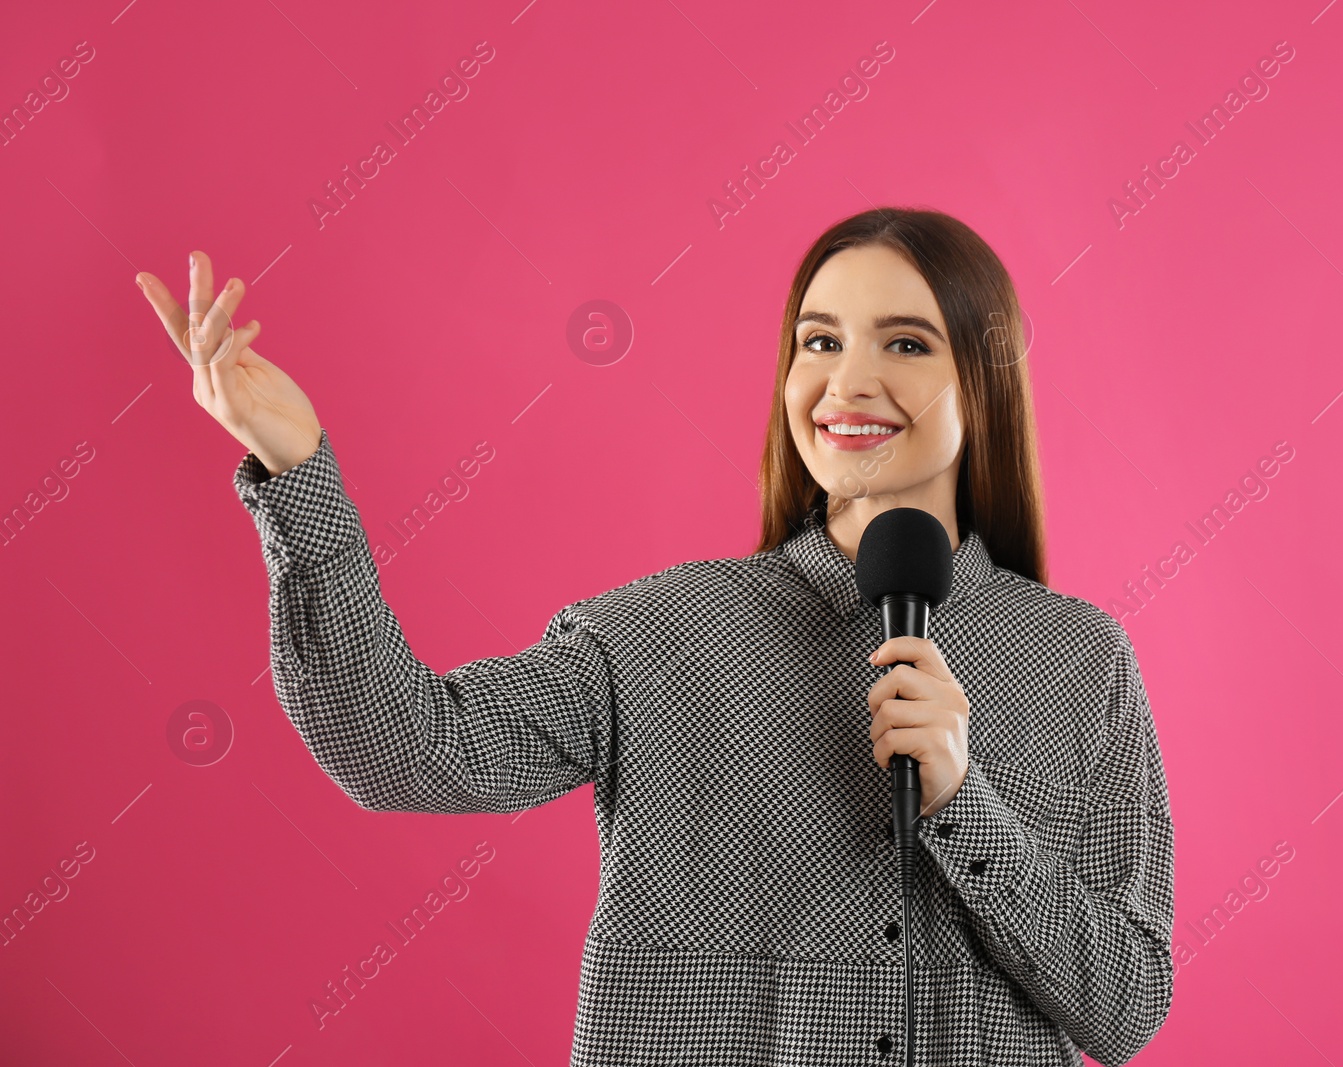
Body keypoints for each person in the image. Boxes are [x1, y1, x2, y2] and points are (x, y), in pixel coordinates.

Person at [135, 207, 1175, 1066]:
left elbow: (1124, 1006)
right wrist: (298, 470)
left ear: (981, 380)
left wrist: (964, 801)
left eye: (903, 340)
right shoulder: (660, 636)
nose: (848, 382)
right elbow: (401, 747)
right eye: (819, 340)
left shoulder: (1079, 664)